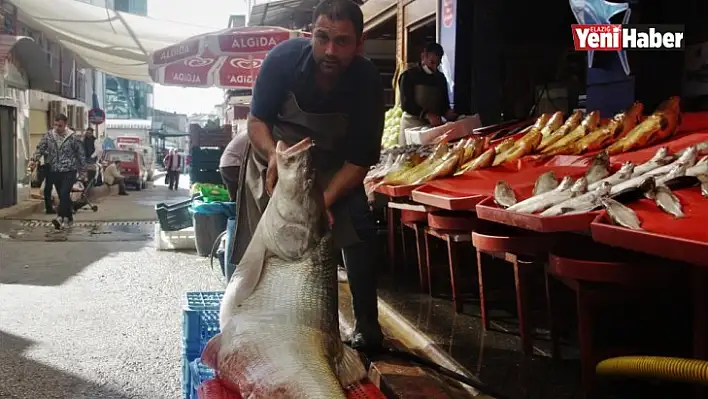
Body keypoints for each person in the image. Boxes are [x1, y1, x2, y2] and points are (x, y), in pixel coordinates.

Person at [232, 0, 385, 350]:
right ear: (310, 34)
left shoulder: (366, 82)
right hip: (275, 160)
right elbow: (256, 122)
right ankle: (241, 321)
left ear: (360, 44)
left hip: (335, 168)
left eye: (343, 41)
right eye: (322, 38)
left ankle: (367, 326)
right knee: (255, 243)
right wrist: (273, 155)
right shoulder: (282, 60)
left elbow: (359, 161)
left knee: (358, 228)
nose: (330, 50)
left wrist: (321, 204)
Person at [30, 114, 86, 230]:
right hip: (54, 170)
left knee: (65, 193)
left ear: (65, 124)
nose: (57, 128)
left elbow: (80, 154)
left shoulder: (73, 137)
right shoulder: (49, 136)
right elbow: (40, 148)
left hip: (69, 170)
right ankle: (69, 217)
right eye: (55, 125)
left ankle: (60, 217)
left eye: (59, 125)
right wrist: (34, 160)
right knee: (62, 195)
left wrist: (83, 170)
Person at [397, 42, 457, 145]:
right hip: (411, 125)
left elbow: (444, 104)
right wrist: (426, 114)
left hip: (431, 128)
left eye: (438, 64)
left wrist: (448, 113)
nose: (434, 68)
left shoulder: (440, 78)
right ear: (423, 56)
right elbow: (406, 104)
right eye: (432, 62)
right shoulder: (408, 76)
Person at [219, 132, 250, 201]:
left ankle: (234, 210)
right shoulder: (255, 133)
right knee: (249, 192)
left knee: (235, 199)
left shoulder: (246, 132)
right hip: (233, 165)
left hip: (225, 165)